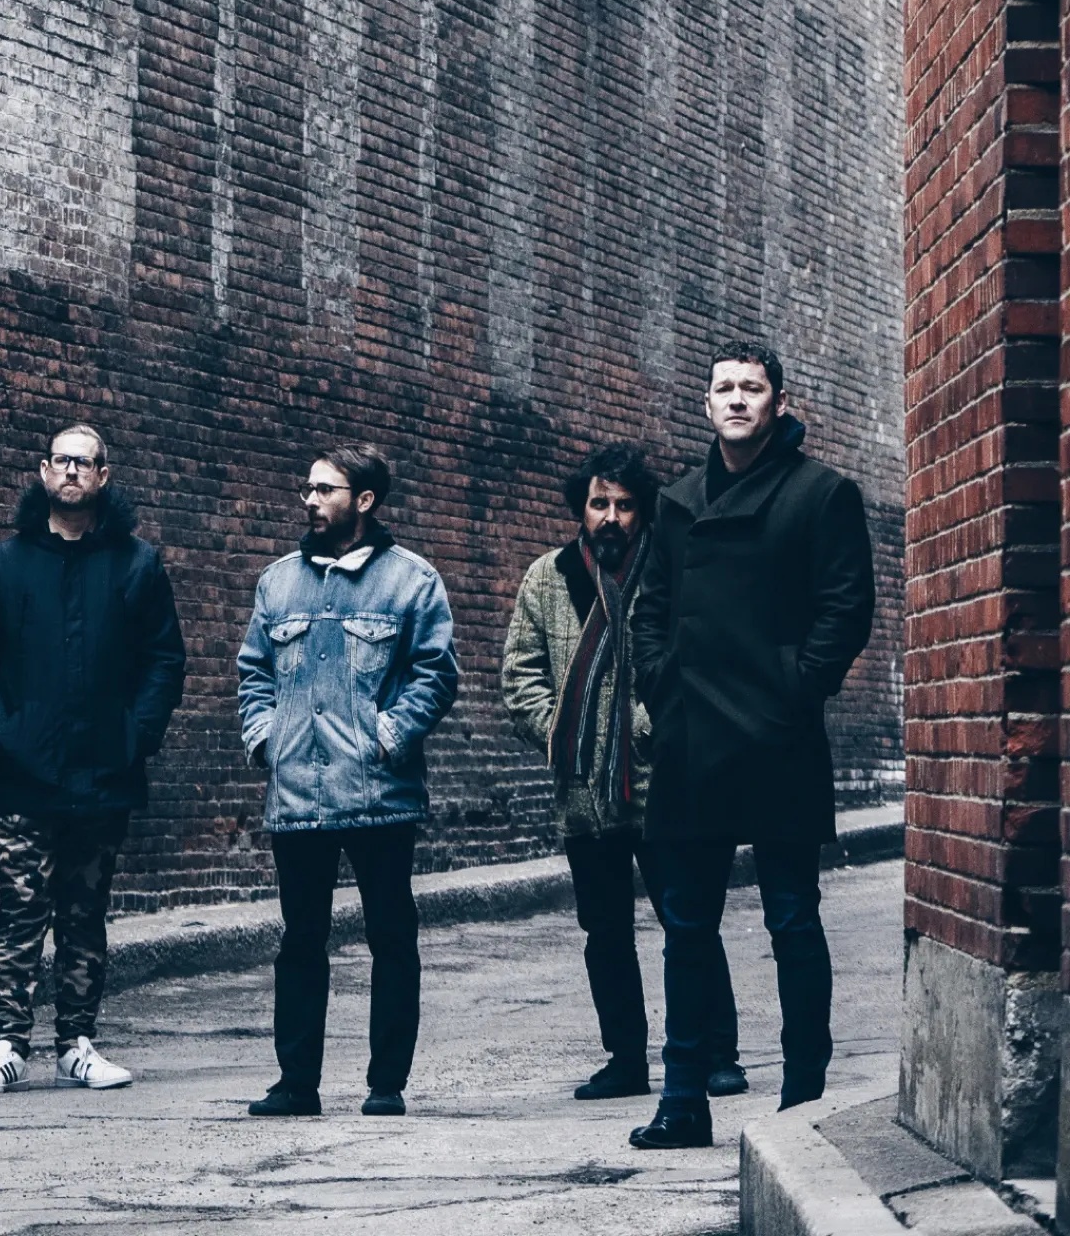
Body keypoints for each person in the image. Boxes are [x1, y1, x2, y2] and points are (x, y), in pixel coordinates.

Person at [625, 342, 874, 1149]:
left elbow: (846, 611)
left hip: (777, 735)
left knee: (792, 919)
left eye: (752, 388)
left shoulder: (822, 494)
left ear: (777, 401)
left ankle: (803, 1095)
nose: (737, 400)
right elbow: (650, 610)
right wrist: (662, 684)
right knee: (686, 925)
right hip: (693, 733)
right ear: (706, 404)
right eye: (723, 388)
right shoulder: (678, 500)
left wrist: (793, 688)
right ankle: (682, 1100)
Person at [501, 443, 746, 1104]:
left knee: (685, 921)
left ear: (644, 512)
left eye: (625, 505)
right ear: (581, 509)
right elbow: (521, 677)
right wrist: (566, 733)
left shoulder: (669, 573)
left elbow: (692, 662)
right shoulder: (546, 578)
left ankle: (717, 1051)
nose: (611, 517)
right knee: (604, 930)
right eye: (599, 503)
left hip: (663, 781)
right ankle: (626, 1060)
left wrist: (642, 728)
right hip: (583, 790)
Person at [0, 423, 185, 1093]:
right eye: (63, 461)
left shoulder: (137, 564)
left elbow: (164, 662)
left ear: (104, 476)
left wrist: (133, 736)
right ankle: (5, 1045)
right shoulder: (6, 564)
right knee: (20, 910)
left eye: (86, 462)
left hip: (105, 771)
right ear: (44, 472)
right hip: (28, 772)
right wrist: (3, 735)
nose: (74, 472)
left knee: (85, 911)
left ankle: (77, 1042)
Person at [234, 443, 458, 1119]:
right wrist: (265, 738)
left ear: (363, 501)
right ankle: (295, 1084)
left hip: (379, 794)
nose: (310, 500)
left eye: (326, 490)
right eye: (307, 489)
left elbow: (435, 674)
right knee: (300, 940)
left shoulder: (411, 581)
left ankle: (386, 1084)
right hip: (296, 791)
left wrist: (387, 737)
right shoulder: (278, 582)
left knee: (391, 936)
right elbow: (253, 671)